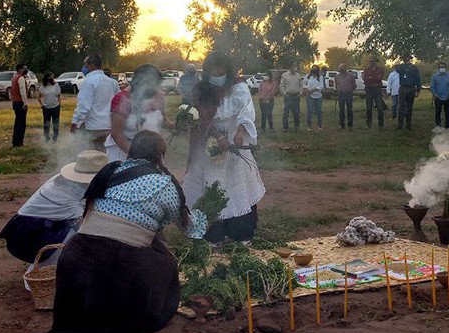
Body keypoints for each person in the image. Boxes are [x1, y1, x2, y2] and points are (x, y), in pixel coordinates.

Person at [32, 131, 207, 333]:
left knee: (150, 248)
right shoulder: (164, 184)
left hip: (75, 257)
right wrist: (205, 217)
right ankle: (126, 317)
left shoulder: (110, 170)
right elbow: (190, 228)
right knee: (167, 265)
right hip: (116, 263)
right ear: (160, 157)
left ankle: (85, 318)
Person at [184, 52, 265, 246]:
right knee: (212, 187)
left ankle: (241, 233)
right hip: (209, 143)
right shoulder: (201, 89)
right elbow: (201, 118)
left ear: (227, 71)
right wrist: (218, 137)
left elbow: (247, 111)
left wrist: (239, 132)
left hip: (234, 142)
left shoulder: (238, 87)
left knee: (237, 185)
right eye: (213, 70)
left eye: (220, 70)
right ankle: (213, 235)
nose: (217, 74)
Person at [0, 150, 107, 272]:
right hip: (27, 235)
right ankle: (52, 270)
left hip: (37, 226)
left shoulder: (65, 181)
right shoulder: (66, 198)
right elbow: (85, 227)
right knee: (76, 239)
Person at [106, 64, 165, 162]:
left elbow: (162, 117)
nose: (155, 89)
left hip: (150, 153)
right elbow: (116, 133)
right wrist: (136, 155)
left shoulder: (157, 95)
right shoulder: (122, 100)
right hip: (123, 153)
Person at [70, 53, 119, 150]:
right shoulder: (112, 82)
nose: (84, 68)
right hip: (109, 126)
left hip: (93, 128)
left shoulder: (89, 81)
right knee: (105, 155)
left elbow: (84, 106)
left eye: (85, 65)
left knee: (92, 157)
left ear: (91, 66)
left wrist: (75, 123)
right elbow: (118, 103)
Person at [396, 55, 421, 130]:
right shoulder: (400, 67)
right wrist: (401, 63)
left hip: (411, 88)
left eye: (408, 60)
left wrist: (418, 90)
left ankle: (408, 125)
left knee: (409, 107)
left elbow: (418, 79)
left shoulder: (414, 68)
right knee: (401, 107)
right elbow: (396, 70)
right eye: (405, 60)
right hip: (403, 88)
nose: (406, 61)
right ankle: (400, 125)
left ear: (410, 60)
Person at [362, 56, 385, 129]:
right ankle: (368, 124)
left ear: (375, 62)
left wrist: (370, 78)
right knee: (368, 108)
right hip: (369, 90)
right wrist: (374, 78)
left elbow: (379, 78)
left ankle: (381, 125)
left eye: (372, 61)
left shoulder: (380, 70)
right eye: (370, 61)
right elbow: (365, 79)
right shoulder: (366, 70)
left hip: (377, 90)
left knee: (380, 108)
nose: (371, 62)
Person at [430, 62, 449, 129]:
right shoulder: (434, 76)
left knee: (448, 113)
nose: (442, 68)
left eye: (443, 67)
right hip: (438, 98)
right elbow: (432, 87)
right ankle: (438, 125)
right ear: (438, 68)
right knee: (437, 112)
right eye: (441, 67)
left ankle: (448, 126)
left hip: (447, 97)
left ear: (445, 68)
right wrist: (435, 94)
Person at [11, 63, 30, 147]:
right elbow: (23, 92)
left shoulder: (14, 77)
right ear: (19, 69)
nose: (25, 70)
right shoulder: (21, 78)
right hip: (20, 102)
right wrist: (25, 103)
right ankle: (19, 142)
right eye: (24, 68)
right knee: (21, 123)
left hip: (15, 102)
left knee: (17, 122)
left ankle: (15, 141)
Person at [279, 65, 303, 131]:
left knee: (296, 112)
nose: (295, 68)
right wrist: (284, 93)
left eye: (296, 67)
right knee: (286, 112)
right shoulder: (285, 75)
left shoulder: (298, 75)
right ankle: (285, 127)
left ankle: (297, 126)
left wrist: (300, 93)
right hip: (288, 96)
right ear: (291, 67)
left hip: (296, 96)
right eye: (294, 67)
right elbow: (282, 85)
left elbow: (301, 84)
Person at [39, 73, 61, 142]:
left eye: (51, 78)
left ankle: (55, 137)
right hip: (46, 108)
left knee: (56, 123)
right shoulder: (42, 87)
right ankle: (46, 137)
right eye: (48, 79)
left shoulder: (56, 86)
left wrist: (59, 104)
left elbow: (59, 96)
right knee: (46, 123)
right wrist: (41, 104)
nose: (50, 80)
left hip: (55, 107)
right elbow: (38, 97)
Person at [334, 63, 357, 130]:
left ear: (345, 68)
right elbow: (336, 85)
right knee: (341, 110)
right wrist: (338, 90)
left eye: (342, 67)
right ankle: (341, 125)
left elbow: (354, 85)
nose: (341, 69)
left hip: (348, 94)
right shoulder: (337, 77)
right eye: (340, 67)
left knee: (349, 109)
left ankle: (350, 125)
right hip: (341, 94)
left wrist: (350, 89)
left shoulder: (350, 76)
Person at [304, 65, 324, 131]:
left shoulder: (320, 77)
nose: (314, 70)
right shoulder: (307, 76)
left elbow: (321, 86)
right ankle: (309, 126)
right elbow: (303, 83)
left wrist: (314, 90)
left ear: (318, 70)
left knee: (319, 111)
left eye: (315, 69)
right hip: (310, 96)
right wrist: (306, 89)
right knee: (310, 110)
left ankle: (320, 125)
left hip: (318, 96)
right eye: (313, 69)